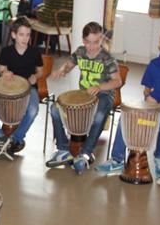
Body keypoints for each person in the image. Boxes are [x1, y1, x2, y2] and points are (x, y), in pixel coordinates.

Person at [95, 24, 160, 179]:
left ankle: (159, 158)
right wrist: (149, 96)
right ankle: (117, 159)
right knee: (125, 117)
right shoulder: (154, 64)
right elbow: (147, 89)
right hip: (153, 105)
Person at [47, 21, 122, 174]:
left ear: (101, 40)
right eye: (88, 42)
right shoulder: (80, 52)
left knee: (99, 115)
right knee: (55, 109)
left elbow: (118, 81)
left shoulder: (107, 58)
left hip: (104, 95)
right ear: (83, 40)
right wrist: (62, 70)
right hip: (84, 95)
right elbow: (69, 64)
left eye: (96, 42)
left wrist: (100, 87)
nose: (92, 46)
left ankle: (85, 154)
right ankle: (63, 150)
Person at [0, 17, 43, 160]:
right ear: (14, 35)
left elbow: (40, 71)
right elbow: (1, 70)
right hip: (8, 89)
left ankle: (16, 138)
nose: (25, 38)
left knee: (33, 109)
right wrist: (5, 73)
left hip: (29, 89)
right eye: (21, 34)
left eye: (28, 35)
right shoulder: (6, 51)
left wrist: (35, 76)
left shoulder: (35, 52)